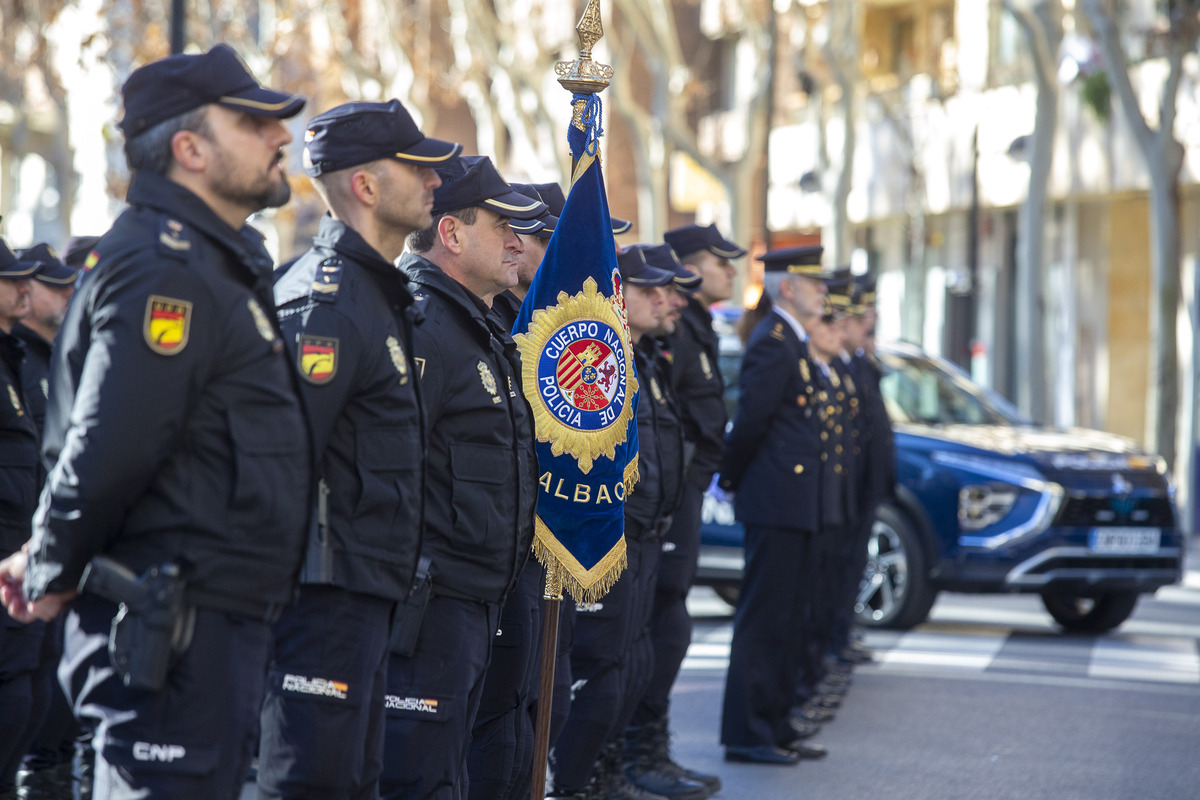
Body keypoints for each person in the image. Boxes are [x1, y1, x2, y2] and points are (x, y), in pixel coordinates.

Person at [0, 44, 310, 800]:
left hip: (210, 625)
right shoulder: (166, 268)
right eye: (254, 122)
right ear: (189, 148)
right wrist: (50, 563)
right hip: (170, 628)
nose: (281, 137)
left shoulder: (207, 263)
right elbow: (111, 442)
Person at [261, 99, 460, 800]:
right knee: (312, 785)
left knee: (354, 782)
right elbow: (279, 463)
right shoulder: (328, 304)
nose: (437, 182)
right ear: (367, 188)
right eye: (420, 168)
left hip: (365, 595)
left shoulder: (377, 298)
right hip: (320, 602)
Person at [381, 154, 544, 799]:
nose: (517, 241)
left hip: (479, 598)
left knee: (453, 771)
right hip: (429, 605)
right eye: (501, 225)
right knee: (417, 780)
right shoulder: (422, 321)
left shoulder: (478, 325)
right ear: (450, 233)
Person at [548, 246, 698, 800]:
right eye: (649, 290)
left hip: (648, 536)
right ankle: (576, 782)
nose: (668, 300)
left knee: (632, 662)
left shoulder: (647, 359)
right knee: (600, 667)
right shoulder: (599, 357)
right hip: (614, 536)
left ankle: (602, 772)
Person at [623, 224, 745, 797]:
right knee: (646, 632)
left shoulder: (674, 334)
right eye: (660, 289)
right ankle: (629, 757)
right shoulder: (662, 341)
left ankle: (649, 750)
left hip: (676, 495)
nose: (672, 298)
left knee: (665, 628)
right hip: (658, 503)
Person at [716, 245, 837, 765]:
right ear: (788, 287)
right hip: (775, 501)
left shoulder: (794, 341)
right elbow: (752, 422)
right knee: (765, 619)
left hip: (795, 502)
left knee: (788, 618)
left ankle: (776, 720)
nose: (824, 293)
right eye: (816, 285)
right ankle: (748, 732)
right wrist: (731, 478)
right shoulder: (775, 341)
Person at [466, 182, 551, 800]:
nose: (516, 245)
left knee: (528, 711)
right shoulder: (466, 322)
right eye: (506, 230)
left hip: (515, 550)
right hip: (468, 567)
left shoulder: (498, 325)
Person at [8, 242, 84, 800]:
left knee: (38, 686)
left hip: (31, 551)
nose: (65, 293)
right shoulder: (23, 359)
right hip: (12, 558)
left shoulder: (33, 359)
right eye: (54, 285)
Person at [0, 238, 43, 799]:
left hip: (19, 551)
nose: (23, 288)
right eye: (11, 278)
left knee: (25, 685)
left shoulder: (13, 359)